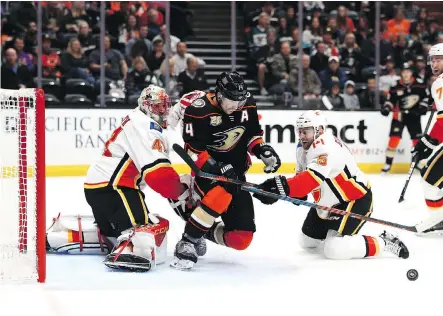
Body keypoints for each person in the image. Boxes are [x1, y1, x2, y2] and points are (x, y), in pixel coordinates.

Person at [46, 85, 190, 272]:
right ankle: (132, 250)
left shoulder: (137, 119)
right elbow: (159, 177)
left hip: (98, 189)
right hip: (116, 189)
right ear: (146, 106)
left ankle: (61, 237)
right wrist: (182, 191)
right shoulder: (147, 127)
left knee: (114, 233)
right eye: (157, 107)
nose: (162, 111)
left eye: (164, 106)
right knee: (150, 228)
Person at [254, 110, 409, 260]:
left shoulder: (327, 148)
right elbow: (300, 189)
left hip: (354, 200)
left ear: (319, 130)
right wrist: (283, 191)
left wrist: (277, 187)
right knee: (307, 242)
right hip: (327, 204)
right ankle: (342, 239)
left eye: (306, 131)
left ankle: (383, 242)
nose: (301, 136)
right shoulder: (303, 148)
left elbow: (308, 181)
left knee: (334, 250)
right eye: (299, 131)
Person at [170, 72, 282, 270]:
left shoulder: (246, 104)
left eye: (240, 101)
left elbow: (252, 135)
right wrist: (219, 168)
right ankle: (188, 240)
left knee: (241, 238)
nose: (236, 106)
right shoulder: (199, 111)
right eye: (232, 101)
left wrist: (262, 150)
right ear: (219, 95)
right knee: (224, 191)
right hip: (208, 173)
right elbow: (193, 151)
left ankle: (200, 226)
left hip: (236, 174)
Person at [412, 43, 443, 234]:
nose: (434, 63)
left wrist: (428, 141)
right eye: (432, 59)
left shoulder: (440, 83)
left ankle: (437, 219)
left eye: (439, 59)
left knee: (429, 179)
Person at [380, 63, 430, 173]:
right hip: (399, 116)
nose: (406, 74)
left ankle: (416, 164)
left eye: (408, 71)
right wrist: (387, 108)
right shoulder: (395, 86)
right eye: (404, 72)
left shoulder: (420, 85)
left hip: (414, 116)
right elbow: (390, 101)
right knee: (394, 139)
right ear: (401, 73)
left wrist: (423, 107)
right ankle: (387, 165)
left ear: (411, 73)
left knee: (417, 141)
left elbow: (426, 97)